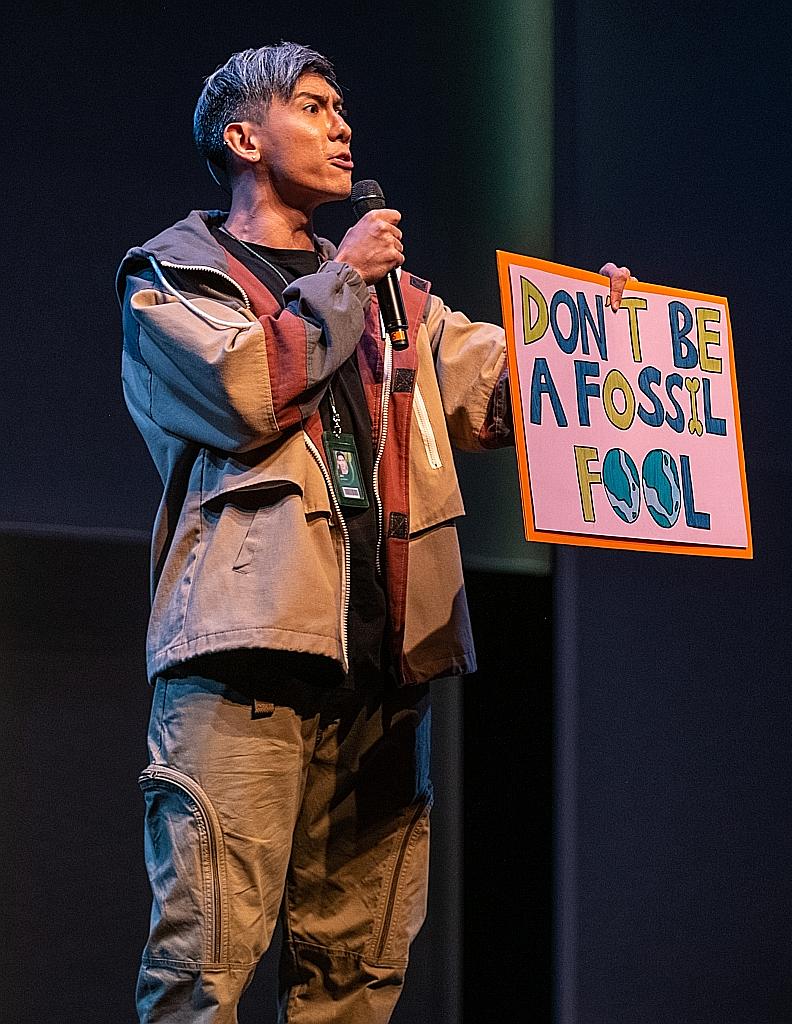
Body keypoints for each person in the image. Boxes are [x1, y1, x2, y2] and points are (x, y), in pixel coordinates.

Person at [116, 42, 629, 1022]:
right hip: (245, 670)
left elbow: (506, 392)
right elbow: (242, 391)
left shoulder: (403, 302)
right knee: (202, 966)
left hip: (382, 675)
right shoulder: (173, 278)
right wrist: (346, 277)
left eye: (343, 106)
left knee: (356, 974)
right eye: (314, 106)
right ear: (243, 137)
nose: (343, 123)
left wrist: (594, 331)